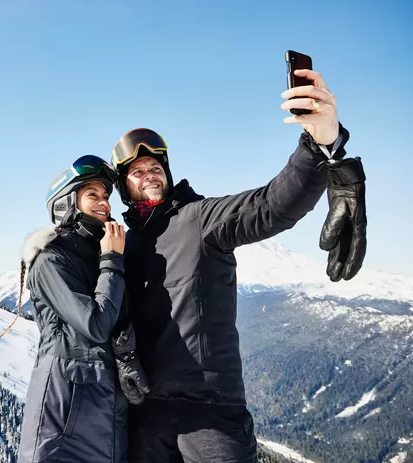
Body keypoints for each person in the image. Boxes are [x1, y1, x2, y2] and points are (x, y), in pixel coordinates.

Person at [109, 69, 351, 462]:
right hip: (148, 415)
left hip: (210, 414)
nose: (149, 175)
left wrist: (319, 141)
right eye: (137, 172)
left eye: (156, 168)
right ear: (125, 186)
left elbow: (272, 205)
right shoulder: (126, 243)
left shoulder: (200, 218)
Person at [18, 154, 149, 463]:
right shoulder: (50, 259)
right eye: (93, 195)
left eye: (106, 196)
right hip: (66, 405)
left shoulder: (100, 253)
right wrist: (112, 260)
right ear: (66, 202)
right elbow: (95, 323)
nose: (104, 202)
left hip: (107, 405)